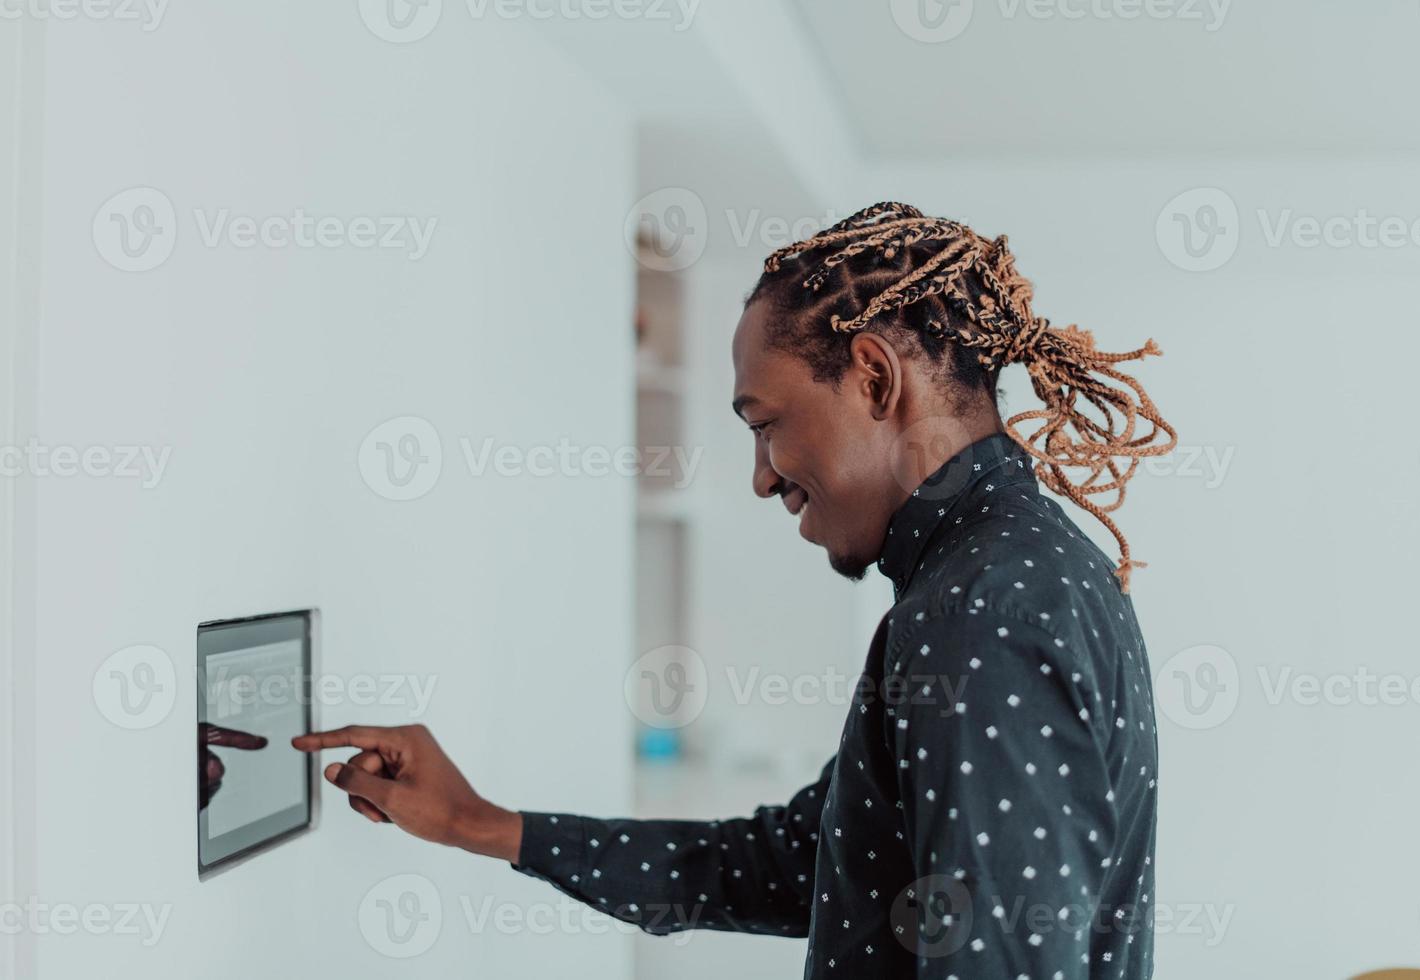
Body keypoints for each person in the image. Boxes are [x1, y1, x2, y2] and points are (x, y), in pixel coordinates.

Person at [294, 203, 1177, 978]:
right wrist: (480, 823)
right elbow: (799, 862)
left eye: (765, 425)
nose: (763, 477)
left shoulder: (977, 616)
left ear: (875, 378)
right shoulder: (1021, 571)